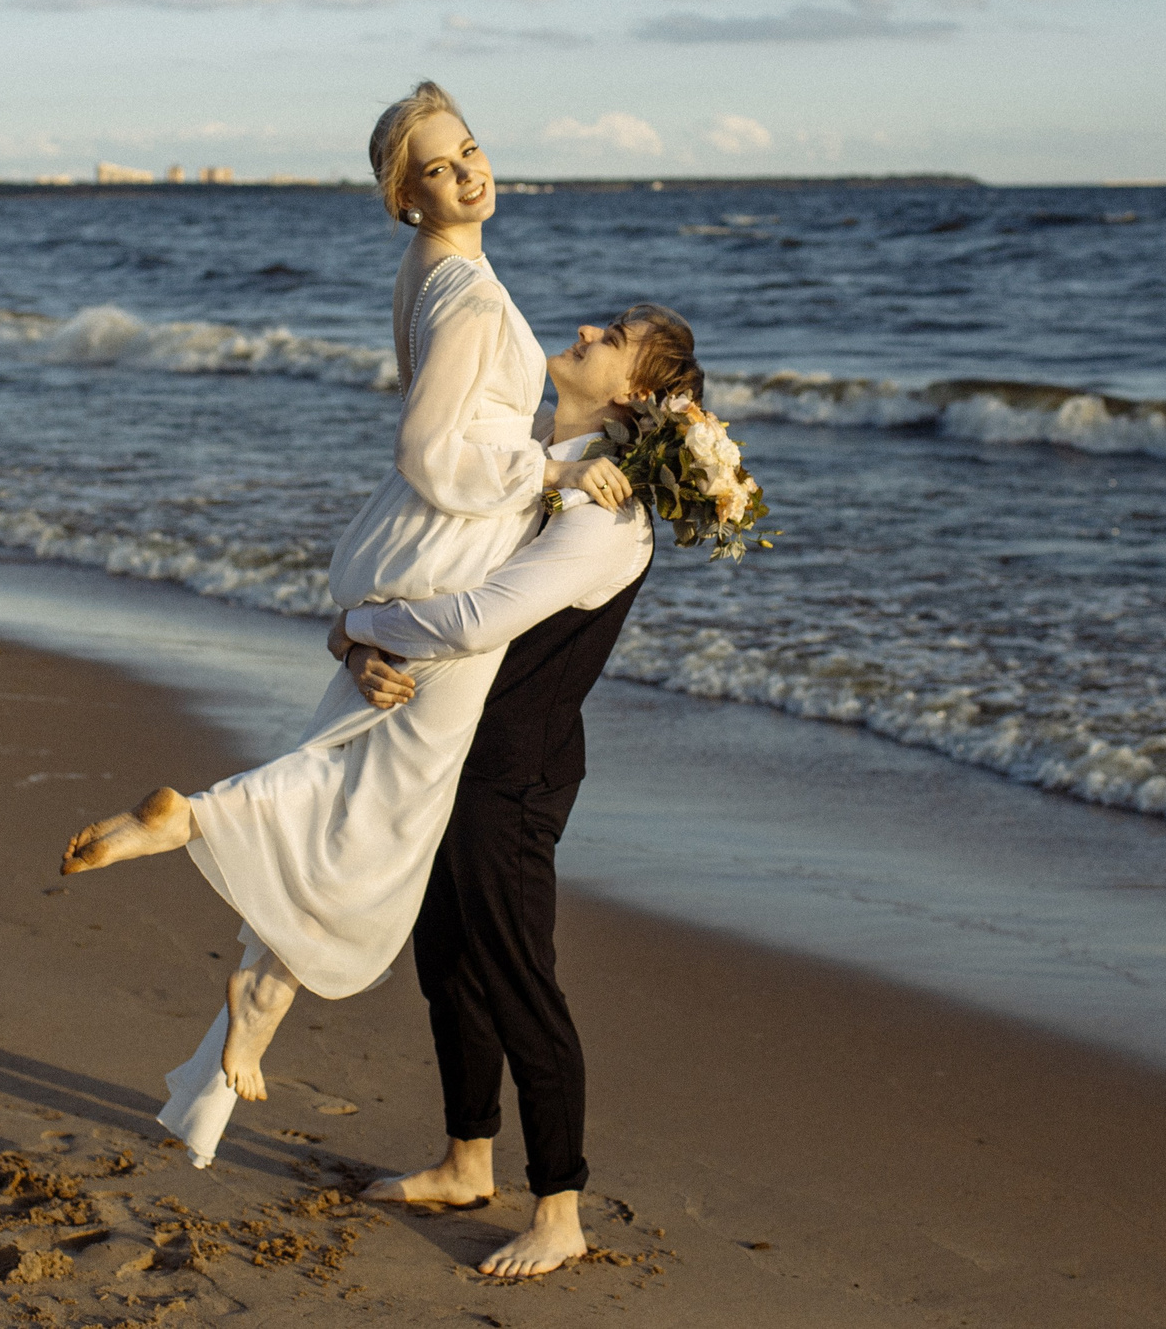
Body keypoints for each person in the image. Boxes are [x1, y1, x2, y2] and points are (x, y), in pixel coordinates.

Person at [57, 82, 630, 1168]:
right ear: (401, 198)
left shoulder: (432, 271)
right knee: (387, 813)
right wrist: (553, 462)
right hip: (451, 544)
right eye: (437, 169)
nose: (467, 173)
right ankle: (204, 845)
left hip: (420, 543)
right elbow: (429, 452)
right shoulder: (461, 288)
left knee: (359, 778)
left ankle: (252, 984)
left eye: (469, 151)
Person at [333, 304, 699, 1277]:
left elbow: (470, 622)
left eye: (611, 335)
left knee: (514, 974)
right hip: (453, 749)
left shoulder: (605, 515)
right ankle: (465, 1160)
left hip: (514, 775)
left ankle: (559, 1208)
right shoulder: (535, 466)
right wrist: (363, 633)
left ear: (630, 393)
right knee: (447, 958)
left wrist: (364, 624)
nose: (584, 327)